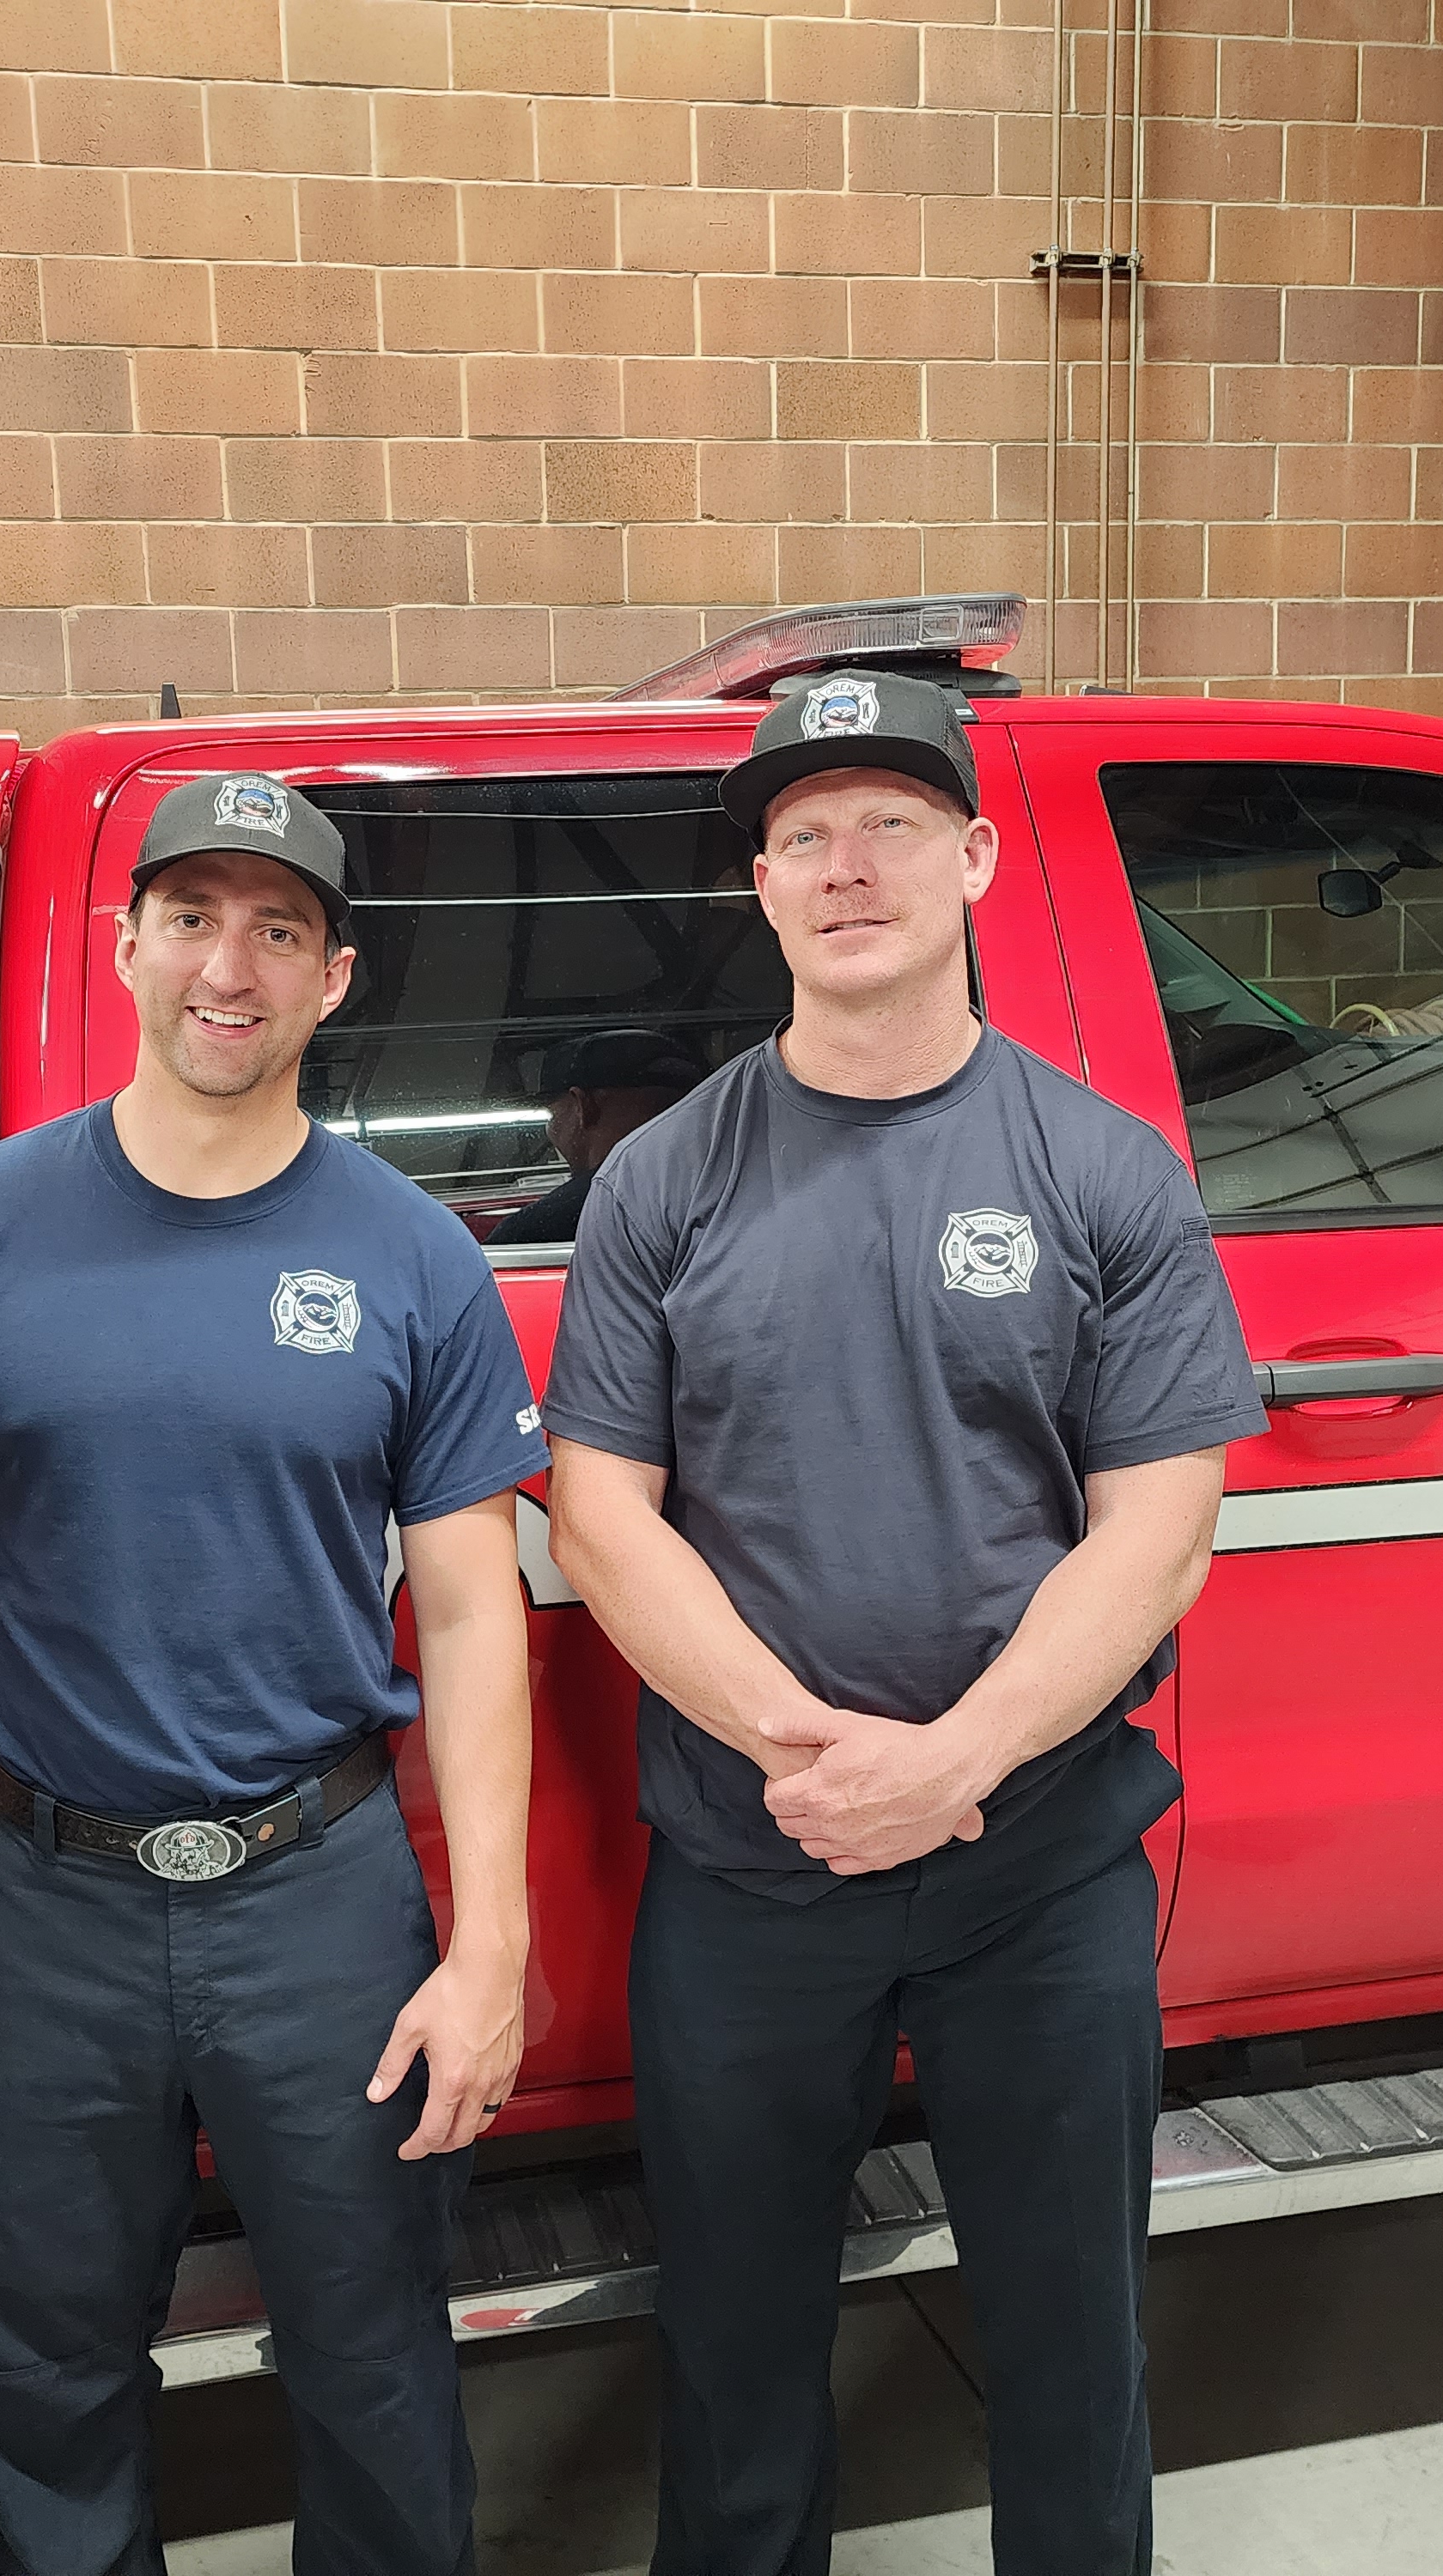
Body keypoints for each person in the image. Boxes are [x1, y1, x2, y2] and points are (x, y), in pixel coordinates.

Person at [542, 672, 1268, 2576]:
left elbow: (1157, 1525)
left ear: (971, 858)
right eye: (798, 836)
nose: (841, 865)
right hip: (752, 1866)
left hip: (1033, 1869)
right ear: (759, 891)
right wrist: (814, 1760)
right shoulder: (661, 1181)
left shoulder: (1099, 1169)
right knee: (734, 2353)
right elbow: (603, 1520)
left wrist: (952, 1763)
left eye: (881, 823)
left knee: (1066, 2348)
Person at [0, 773, 546, 2576]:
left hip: (318, 1898)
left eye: (278, 929)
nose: (226, 967)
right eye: (192, 919)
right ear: (124, 944)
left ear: (334, 977)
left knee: (372, 2355)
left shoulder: (408, 1253)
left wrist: (487, 1947)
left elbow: (470, 1612)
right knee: (43, 2361)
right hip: (43, 1903)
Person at [489, 1026, 706, 1248]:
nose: (551, 1128)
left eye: (553, 1114)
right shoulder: (721, 1190)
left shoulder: (536, 1229)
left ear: (583, 1107)